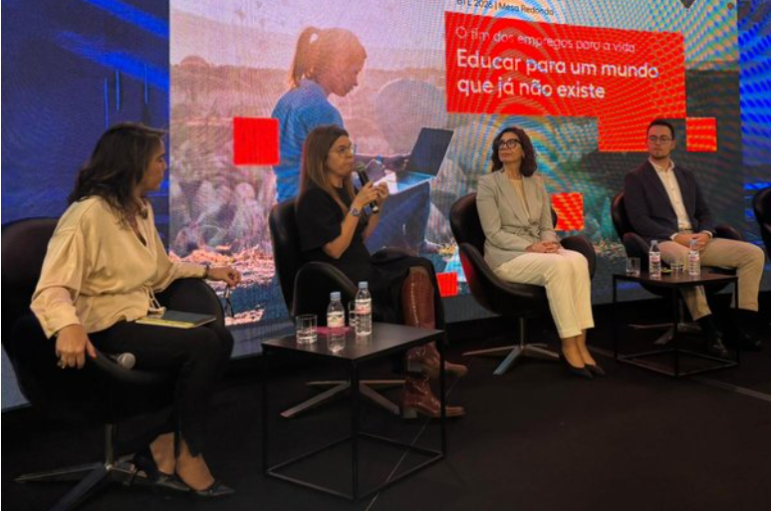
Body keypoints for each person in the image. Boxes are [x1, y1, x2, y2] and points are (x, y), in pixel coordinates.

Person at [31, 123, 242, 497]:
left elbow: (159, 272)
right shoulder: (87, 214)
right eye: (158, 159)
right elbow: (51, 286)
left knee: (219, 338)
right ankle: (188, 453)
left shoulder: (139, 209)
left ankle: (165, 441)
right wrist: (67, 326)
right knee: (204, 345)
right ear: (133, 163)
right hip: (102, 326)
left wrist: (208, 271)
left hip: (138, 316)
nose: (165, 165)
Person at [295, 125, 467, 418]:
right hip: (335, 281)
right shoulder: (313, 199)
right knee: (403, 278)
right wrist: (356, 206)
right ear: (321, 158)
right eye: (341, 150)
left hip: (360, 267)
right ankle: (420, 374)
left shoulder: (343, 190)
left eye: (350, 148)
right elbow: (335, 250)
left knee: (418, 267)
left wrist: (378, 207)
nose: (350, 155)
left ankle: (423, 360)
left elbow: (361, 238)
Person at [272, 26, 432, 254]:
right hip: (326, 222)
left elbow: (319, 159)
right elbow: (342, 180)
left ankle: (402, 248)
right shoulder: (324, 111)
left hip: (290, 213)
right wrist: (373, 176)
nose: (356, 82)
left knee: (382, 191)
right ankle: (416, 249)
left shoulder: (285, 101)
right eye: (354, 72)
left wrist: (384, 160)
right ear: (337, 65)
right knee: (419, 187)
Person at [624, 119, 766, 354]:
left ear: (673, 144)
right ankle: (709, 327)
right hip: (663, 241)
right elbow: (639, 221)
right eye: (653, 138)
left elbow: (704, 212)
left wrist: (706, 234)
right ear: (646, 142)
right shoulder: (635, 177)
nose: (657, 143)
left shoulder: (686, 175)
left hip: (696, 239)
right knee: (684, 257)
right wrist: (675, 236)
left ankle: (741, 325)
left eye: (663, 139)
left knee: (753, 254)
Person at [476, 126, 602, 379]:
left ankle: (581, 343)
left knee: (578, 260)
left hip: (538, 250)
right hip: (506, 256)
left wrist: (549, 243)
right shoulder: (488, 184)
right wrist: (530, 247)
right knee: (558, 266)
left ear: (524, 150)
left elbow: (546, 226)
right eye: (501, 143)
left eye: (512, 142)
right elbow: (493, 233)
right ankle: (568, 345)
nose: (505, 147)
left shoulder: (536, 182)